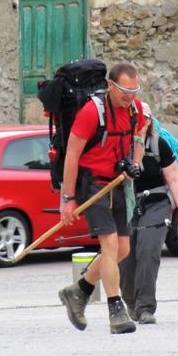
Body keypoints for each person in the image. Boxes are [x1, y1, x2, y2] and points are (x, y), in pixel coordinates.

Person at [58, 62, 145, 334]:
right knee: (109, 245)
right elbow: (72, 155)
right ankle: (115, 310)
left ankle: (78, 290)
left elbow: (139, 136)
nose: (130, 96)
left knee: (123, 249)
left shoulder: (135, 109)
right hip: (92, 183)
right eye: (124, 91)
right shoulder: (90, 112)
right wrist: (68, 198)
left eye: (134, 91)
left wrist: (135, 164)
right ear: (110, 85)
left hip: (118, 183)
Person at [119, 102, 178, 324]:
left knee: (148, 251)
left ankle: (146, 308)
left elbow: (174, 179)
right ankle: (130, 302)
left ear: (149, 121)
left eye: (144, 120)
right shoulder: (121, 146)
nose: (140, 124)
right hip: (128, 204)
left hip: (157, 203)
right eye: (136, 120)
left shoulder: (159, 145)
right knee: (126, 256)